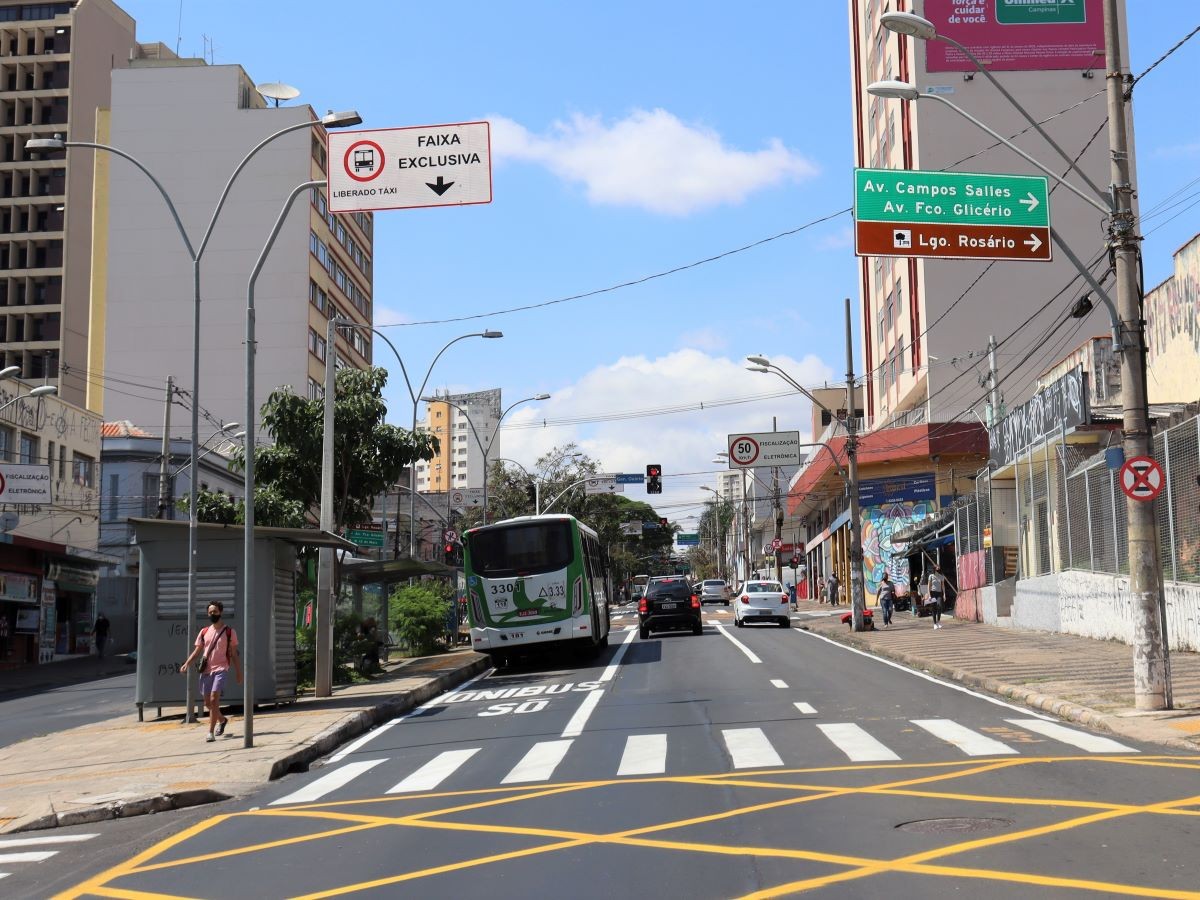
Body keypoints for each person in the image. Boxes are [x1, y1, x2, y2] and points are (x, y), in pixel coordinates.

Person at [181, 601, 242, 742]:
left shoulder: (229, 632)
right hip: (206, 671)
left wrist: (239, 672)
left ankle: (210, 732)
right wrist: (186, 664)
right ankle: (222, 720)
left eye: (214, 612)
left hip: (221, 669)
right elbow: (197, 652)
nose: (212, 614)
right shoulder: (204, 632)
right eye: (209, 612)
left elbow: (234, 654)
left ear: (221, 612)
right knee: (208, 703)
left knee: (214, 700)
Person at [927, 564, 946, 629]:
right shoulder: (931, 576)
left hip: (939, 593)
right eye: (937, 568)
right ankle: (935, 623)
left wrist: (944, 594)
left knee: (939, 606)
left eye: (939, 569)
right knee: (934, 608)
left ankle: (938, 622)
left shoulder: (941, 576)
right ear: (934, 569)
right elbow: (928, 586)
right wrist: (929, 595)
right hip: (932, 593)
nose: (938, 570)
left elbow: (943, 586)